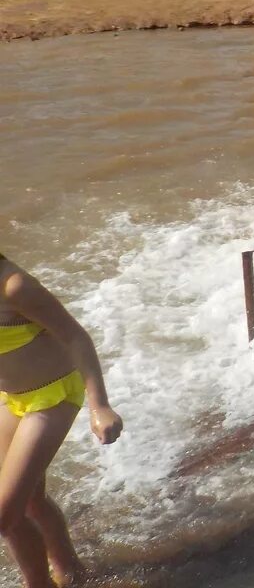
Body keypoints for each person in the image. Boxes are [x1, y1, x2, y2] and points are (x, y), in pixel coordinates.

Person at [0, 251, 122, 588]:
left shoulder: (15, 286)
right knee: (32, 501)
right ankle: (71, 570)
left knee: (5, 515)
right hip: (12, 400)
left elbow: (75, 337)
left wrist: (100, 406)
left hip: (52, 396)